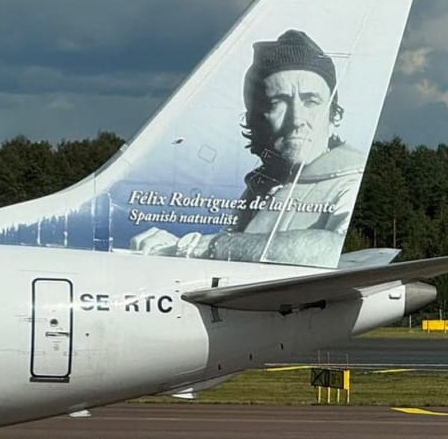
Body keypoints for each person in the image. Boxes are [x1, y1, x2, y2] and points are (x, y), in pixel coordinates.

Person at [130, 29, 363, 266]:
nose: (296, 120)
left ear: (334, 116)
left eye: (311, 101)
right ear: (255, 119)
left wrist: (204, 246)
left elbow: (333, 250)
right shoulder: (262, 187)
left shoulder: (350, 182)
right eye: (278, 102)